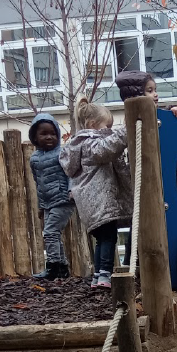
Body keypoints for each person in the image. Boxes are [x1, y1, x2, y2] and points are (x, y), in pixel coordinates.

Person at [61, 101, 131, 288]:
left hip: (93, 203)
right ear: (92, 124)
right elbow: (106, 149)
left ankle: (97, 276)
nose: (109, 130)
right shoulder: (89, 144)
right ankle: (104, 277)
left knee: (102, 238)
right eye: (107, 126)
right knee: (108, 237)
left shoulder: (81, 144)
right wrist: (125, 131)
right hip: (100, 201)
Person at [28, 114, 74, 280]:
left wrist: (71, 190)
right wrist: (41, 206)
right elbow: (38, 183)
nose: (49, 137)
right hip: (48, 202)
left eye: (53, 133)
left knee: (50, 232)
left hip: (63, 199)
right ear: (34, 137)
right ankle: (62, 268)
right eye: (44, 134)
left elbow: (71, 174)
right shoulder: (34, 159)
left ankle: (53, 267)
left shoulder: (62, 153)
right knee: (53, 233)